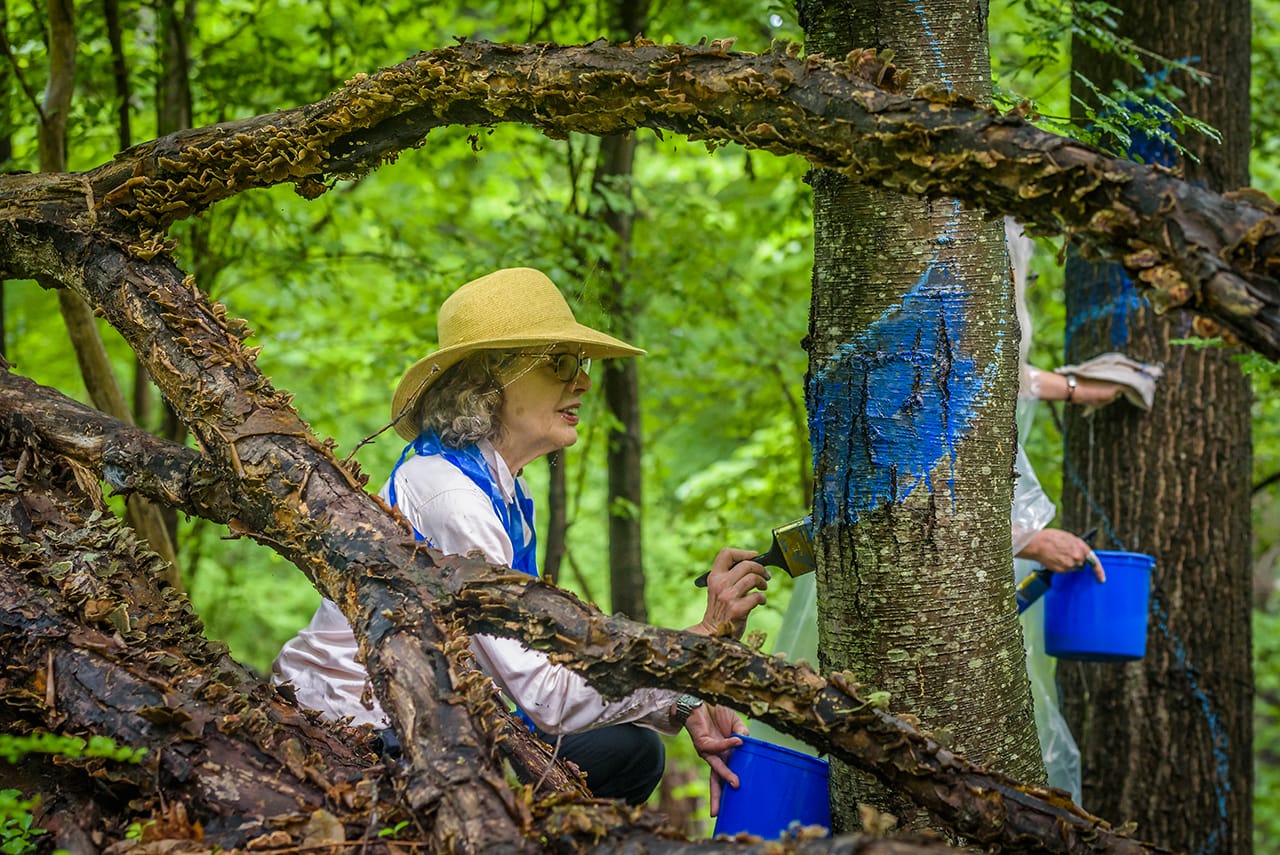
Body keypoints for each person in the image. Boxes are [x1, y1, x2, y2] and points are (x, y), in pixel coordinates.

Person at [272, 267, 770, 811]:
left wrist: (678, 701)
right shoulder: (453, 500)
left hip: (428, 714)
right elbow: (545, 698)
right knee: (623, 754)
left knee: (631, 752)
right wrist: (698, 644)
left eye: (579, 365)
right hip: (359, 733)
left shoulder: (501, 492)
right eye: (560, 363)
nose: (582, 382)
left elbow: (540, 663)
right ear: (489, 383)